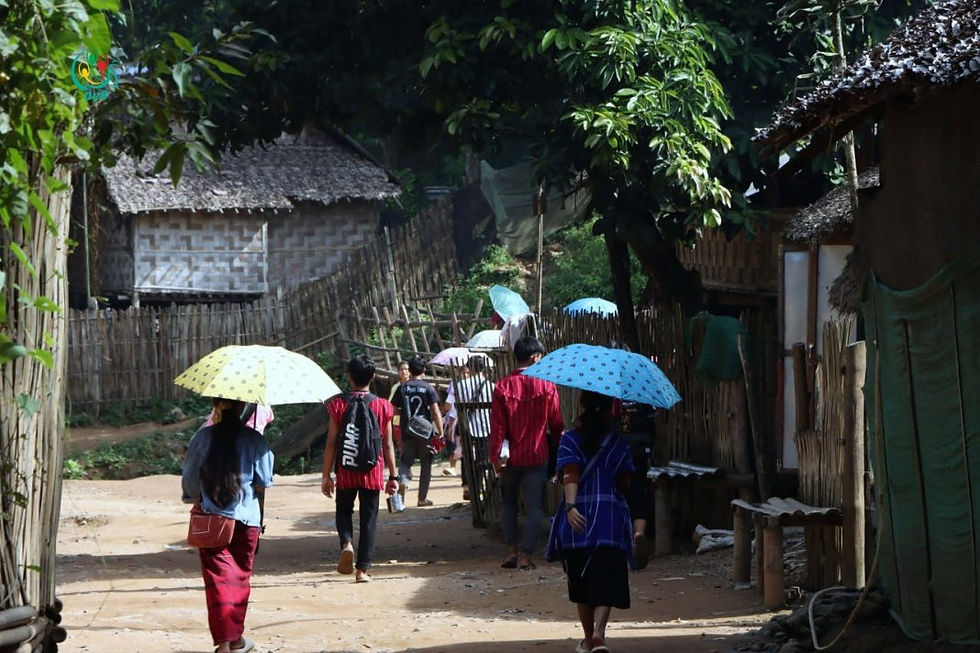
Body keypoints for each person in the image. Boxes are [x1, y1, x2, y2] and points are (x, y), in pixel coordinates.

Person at [182, 397, 274, 653]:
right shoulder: (255, 439)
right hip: (248, 521)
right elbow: (265, 479)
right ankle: (234, 640)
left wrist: (195, 496)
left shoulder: (202, 438)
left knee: (219, 583)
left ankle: (228, 641)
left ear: (215, 405)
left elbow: (190, 482)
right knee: (240, 581)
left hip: (213, 521)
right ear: (242, 407)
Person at [546, 391, 634, 653]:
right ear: (609, 410)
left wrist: (571, 506)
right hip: (610, 521)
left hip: (578, 523)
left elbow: (570, 473)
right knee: (606, 579)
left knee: (581, 581)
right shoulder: (618, 443)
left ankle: (587, 638)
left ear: (582, 406)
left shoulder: (570, 439)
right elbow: (625, 483)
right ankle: (599, 634)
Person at [321, 355, 398, 583]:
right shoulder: (384, 405)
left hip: (346, 468)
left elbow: (331, 442)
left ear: (349, 377)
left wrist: (326, 476)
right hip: (372, 472)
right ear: (373, 377)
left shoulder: (337, 404)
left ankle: (346, 543)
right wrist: (393, 476)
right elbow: (388, 444)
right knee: (369, 519)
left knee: (343, 510)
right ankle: (362, 570)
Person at [489, 336, 564, 570]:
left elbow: (497, 428)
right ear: (535, 357)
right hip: (537, 454)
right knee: (534, 507)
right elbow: (557, 424)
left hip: (511, 458)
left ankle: (511, 551)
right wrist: (560, 449)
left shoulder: (502, 386)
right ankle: (526, 557)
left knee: (509, 503)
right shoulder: (547, 386)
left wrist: (495, 457)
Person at [391, 356, 444, 507]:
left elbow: (394, 409)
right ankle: (422, 499)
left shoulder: (403, 388)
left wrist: (406, 415)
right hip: (425, 431)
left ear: (410, 370)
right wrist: (440, 432)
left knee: (406, 462)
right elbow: (435, 411)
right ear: (423, 370)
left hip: (407, 430)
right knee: (426, 463)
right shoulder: (428, 388)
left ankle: (402, 485)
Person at [614, 399, 656, 569]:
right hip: (638, 454)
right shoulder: (644, 398)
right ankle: (638, 533)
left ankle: (618, 542)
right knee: (639, 495)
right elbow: (652, 429)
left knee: (616, 496)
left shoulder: (609, 396)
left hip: (615, 454)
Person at [454, 356, 494, 501]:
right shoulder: (491, 386)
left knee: (468, 459)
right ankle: (480, 487)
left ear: (469, 369)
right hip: (485, 426)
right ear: (483, 369)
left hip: (467, 426)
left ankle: (470, 487)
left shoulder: (461, 385)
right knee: (483, 459)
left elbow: (458, 405)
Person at [388, 361, 411, 448]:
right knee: (403, 446)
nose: (404, 371)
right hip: (399, 421)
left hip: (414, 421)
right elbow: (391, 406)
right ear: (398, 372)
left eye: (406, 369)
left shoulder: (414, 385)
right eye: (401, 369)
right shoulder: (396, 388)